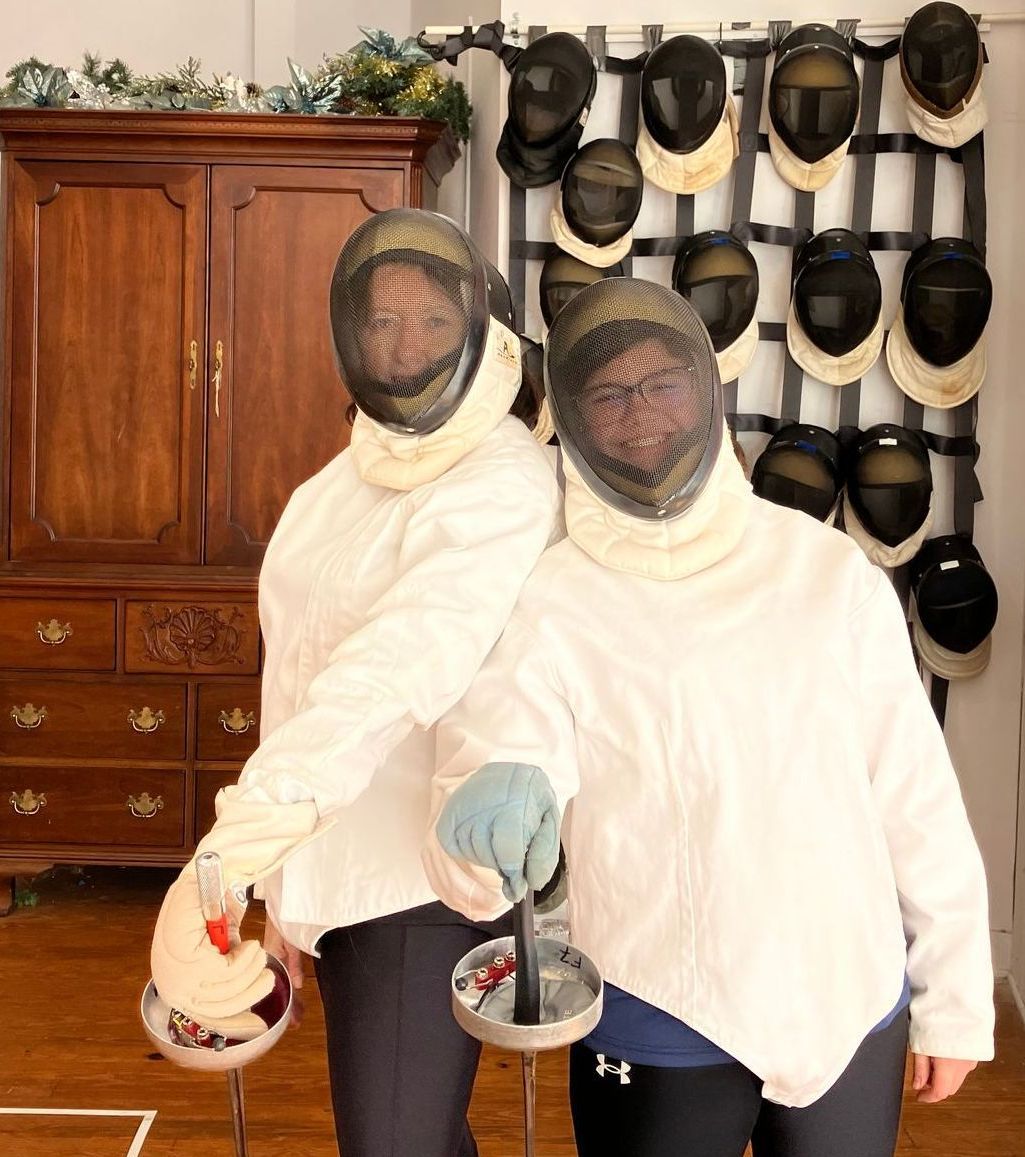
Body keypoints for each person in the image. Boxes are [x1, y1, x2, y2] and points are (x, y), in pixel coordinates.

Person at [423, 278, 994, 1157]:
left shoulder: (825, 573)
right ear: (573, 418)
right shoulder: (551, 597)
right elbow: (500, 754)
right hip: (659, 1001)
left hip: (841, 992)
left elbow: (913, 796)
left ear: (704, 390)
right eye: (608, 394)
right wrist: (491, 806)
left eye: (661, 383)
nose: (639, 413)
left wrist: (953, 996)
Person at [150, 208, 561, 1157]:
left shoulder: (500, 484)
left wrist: (229, 858)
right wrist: (291, 889)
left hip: (414, 886)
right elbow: (295, 681)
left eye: (431, 320)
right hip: (338, 875)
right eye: (381, 320)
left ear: (482, 333)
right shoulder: (338, 482)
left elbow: (388, 672)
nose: (403, 343)